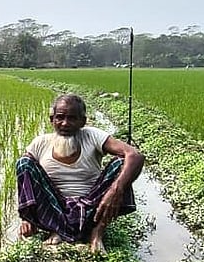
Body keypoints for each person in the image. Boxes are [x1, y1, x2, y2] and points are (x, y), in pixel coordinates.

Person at [16, 94, 144, 253]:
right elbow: (25, 177)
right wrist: (26, 218)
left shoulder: (92, 136)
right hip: (55, 208)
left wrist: (115, 190)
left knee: (122, 163)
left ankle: (97, 232)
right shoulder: (40, 143)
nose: (65, 123)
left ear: (82, 121)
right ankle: (56, 229)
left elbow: (135, 155)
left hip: (92, 207)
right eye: (60, 117)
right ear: (52, 119)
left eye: (72, 118)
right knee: (24, 163)